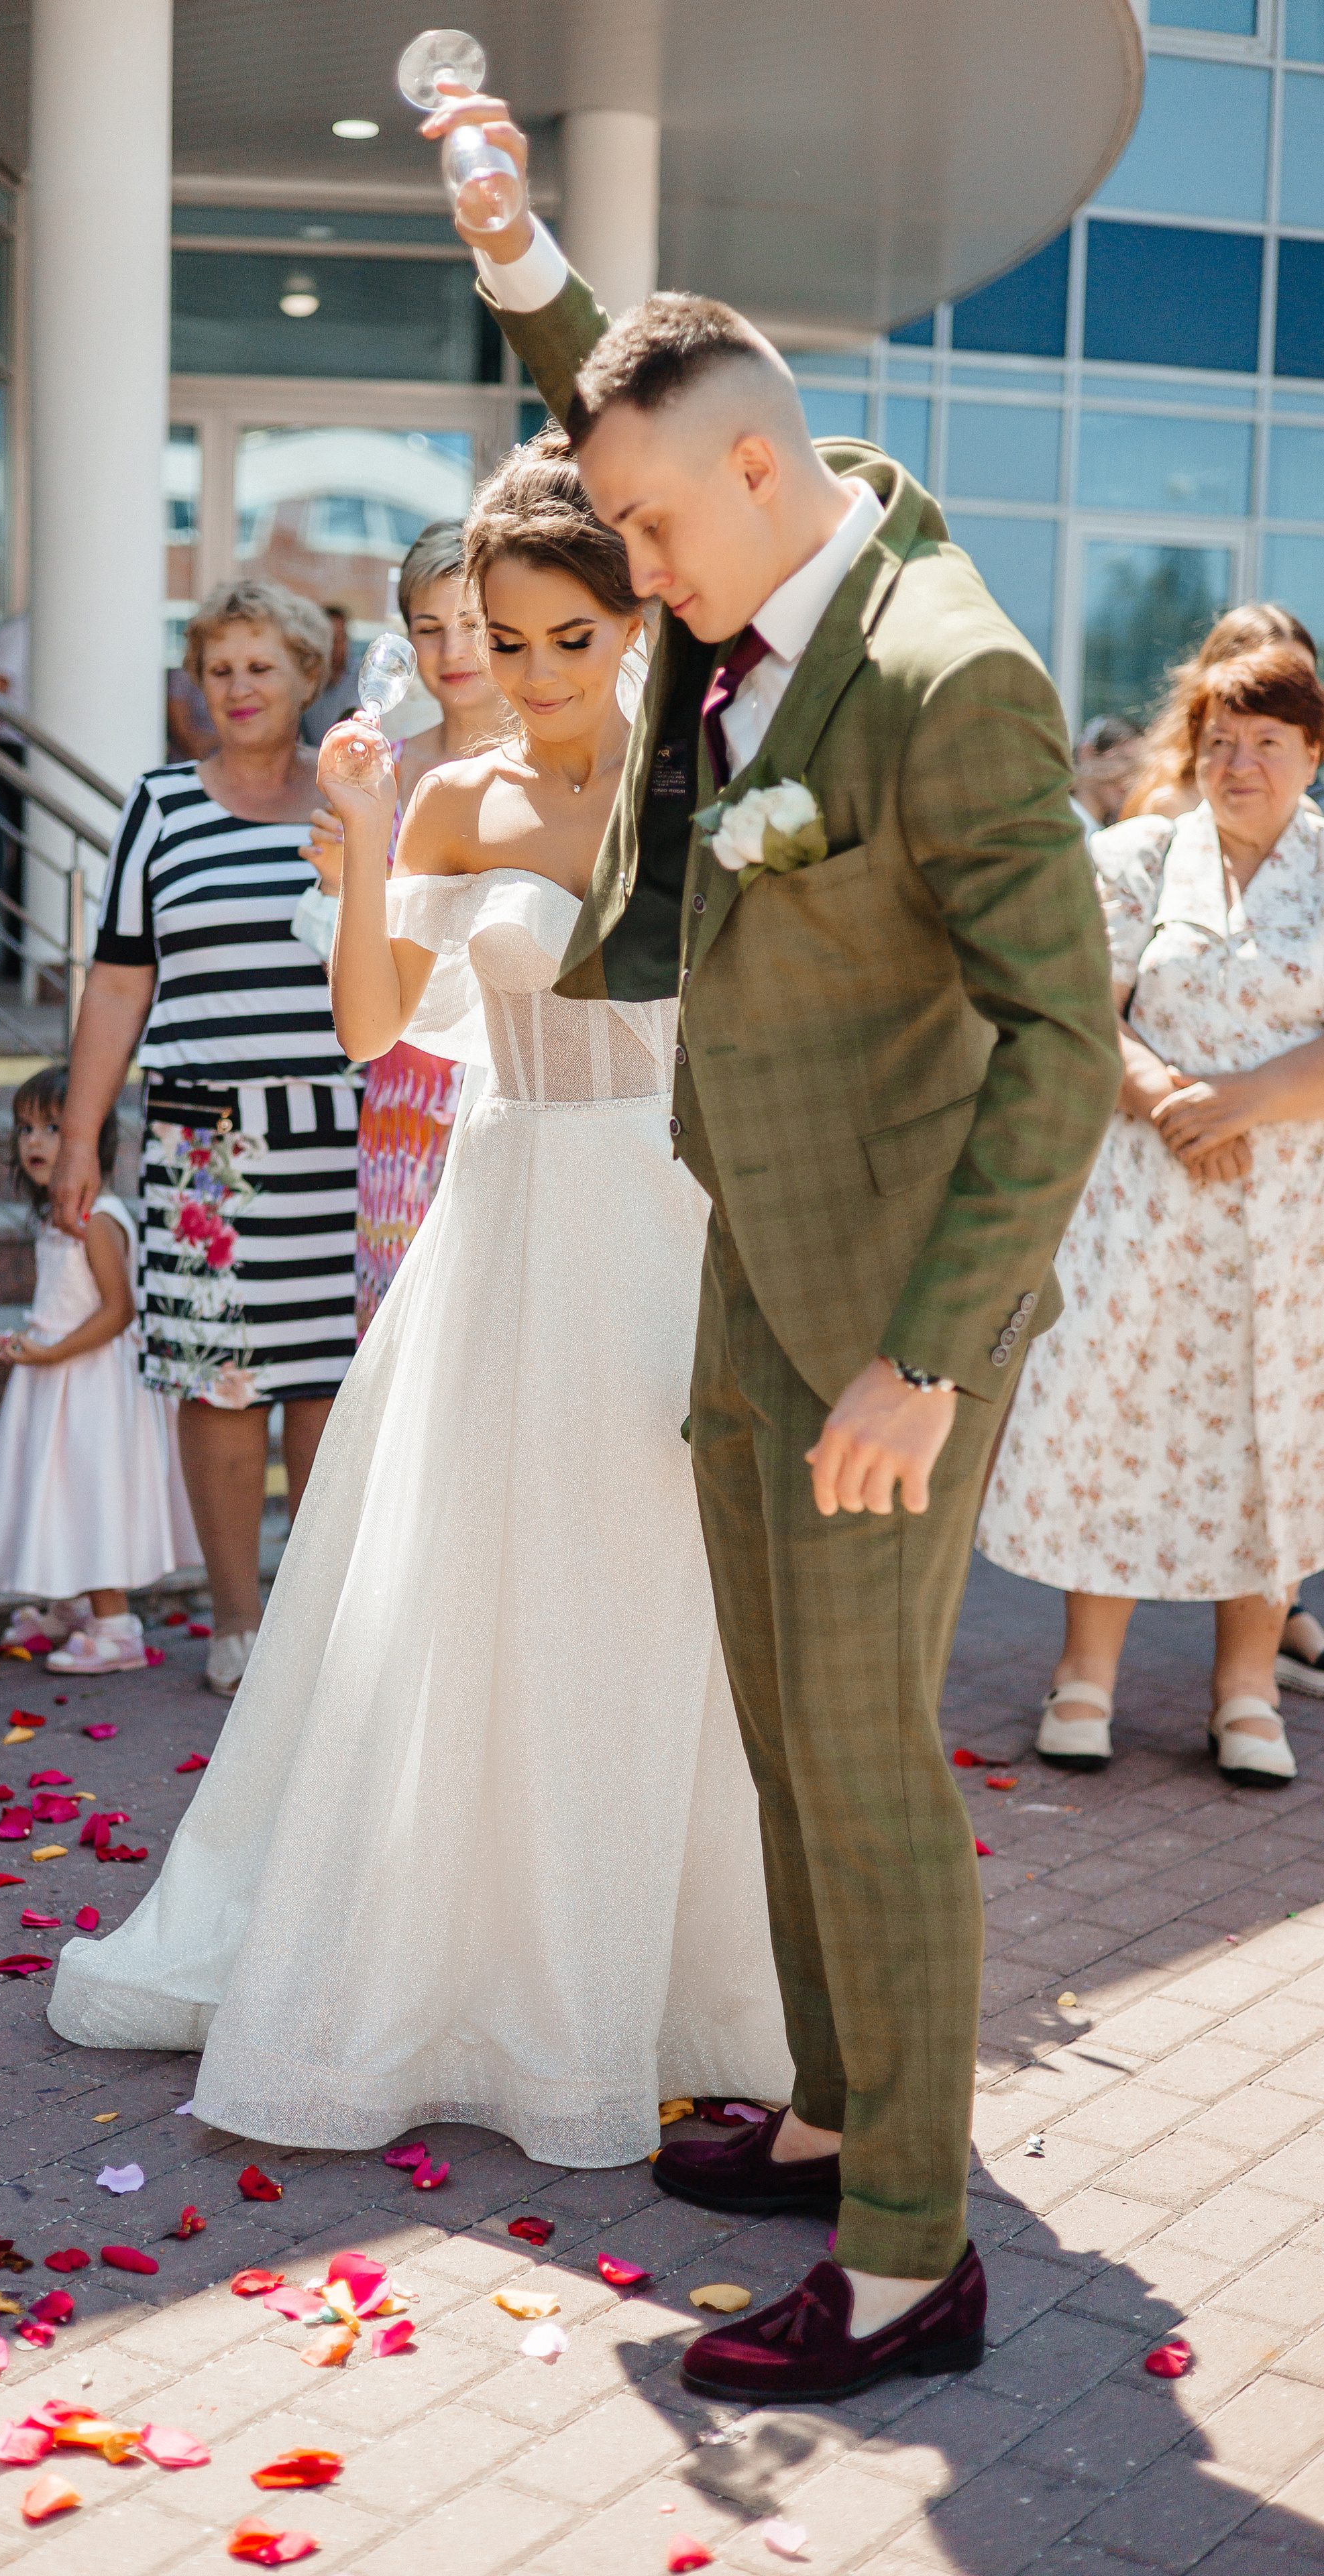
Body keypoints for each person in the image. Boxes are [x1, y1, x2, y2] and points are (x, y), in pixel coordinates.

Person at [429, 82, 1121, 2402]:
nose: (626, 579)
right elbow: (640, 409)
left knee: (863, 1756)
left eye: (641, 535)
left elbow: (1061, 1038)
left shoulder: (954, 671)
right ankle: (835, 2118)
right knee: (780, 1740)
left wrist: (925, 1354)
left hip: (892, 1327)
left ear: (750, 481)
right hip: (755, 1258)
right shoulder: (750, 529)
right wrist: (527, 264)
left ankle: (916, 2264)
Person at [46, 436, 795, 2164]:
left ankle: (675, 1980)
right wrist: (372, 843)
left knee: (655, 1591)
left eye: (566, 641)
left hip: (682, 1223)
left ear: (637, 624)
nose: (527, 676)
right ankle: (454, 1971)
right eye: (502, 640)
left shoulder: (716, 785)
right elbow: (380, 1026)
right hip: (512, 1211)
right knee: (480, 1585)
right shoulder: (459, 794)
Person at [979, 642, 1324, 1787]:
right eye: (1221, 739)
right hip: (1145, 1194)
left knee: (1269, 1430)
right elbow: (1078, 1001)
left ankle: (1245, 1691)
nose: (1240, 763)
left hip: (1288, 1214)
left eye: (1267, 742)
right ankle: (1085, 1677)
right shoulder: (1137, 856)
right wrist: (1170, 1096)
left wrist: (1244, 1102)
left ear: (1311, 754)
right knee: (1122, 1414)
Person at [49, 579, 354, 1703]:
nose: (237, 689)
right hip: (202, 1148)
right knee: (222, 1388)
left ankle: (322, 1625)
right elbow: (120, 980)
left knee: (331, 1389)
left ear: (309, 676)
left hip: (343, 1139)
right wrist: (83, 1137)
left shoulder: (357, 793)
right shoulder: (161, 806)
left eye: (261, 666)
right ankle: (238, 1624)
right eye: (219, 667)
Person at [302, 521, 511, 1331]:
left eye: (472, 624)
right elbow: (347, 972)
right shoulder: (377, 768)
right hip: (401, 1088)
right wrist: (337, 887)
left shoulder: (552, 768)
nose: (452, 648)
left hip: (505, 1082)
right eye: (429, 628)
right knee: (396, 1344)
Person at [0, 1066, 197, 1673]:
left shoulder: (99, 1219)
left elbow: (119, 1311)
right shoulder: (58, 1216)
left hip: (92, 1386)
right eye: (25, 1129)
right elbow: (64, 1306)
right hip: (57, 1373)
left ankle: (116, 1627)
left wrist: (51, 1353)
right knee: (56, 1490)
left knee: (90, 1494)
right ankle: (70, 1606)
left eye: (53, 1129)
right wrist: (28, 1343)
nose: (35, 1142)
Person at [1123, 604, 1315, 821]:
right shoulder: (1175, 812)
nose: (1293, 696)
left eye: (1304, 683)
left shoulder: (1308, 817)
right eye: (1270, 681)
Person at [1071, 713, 1144, 832]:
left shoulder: (1102, 833)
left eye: (1141, 770)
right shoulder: (1059, 824)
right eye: (1127, 760)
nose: (1134, 778)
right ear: (1088, 753)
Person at [298, 603, 356, 745]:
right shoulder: (305, 682)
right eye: (331, 640)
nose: (336, 647)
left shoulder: (363, 678)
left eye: (341, 639)